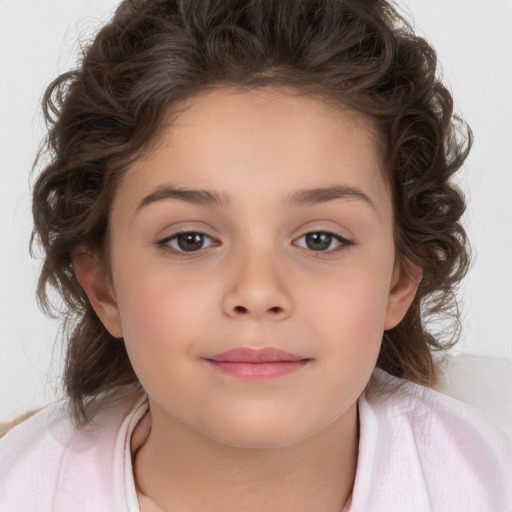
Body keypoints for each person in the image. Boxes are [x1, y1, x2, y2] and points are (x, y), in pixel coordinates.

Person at [0, 0, 510, 510]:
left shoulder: (489, 475)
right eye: (190, 240)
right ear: (103, 286)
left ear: (400, 280)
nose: (258, 292)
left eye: (320, 239)